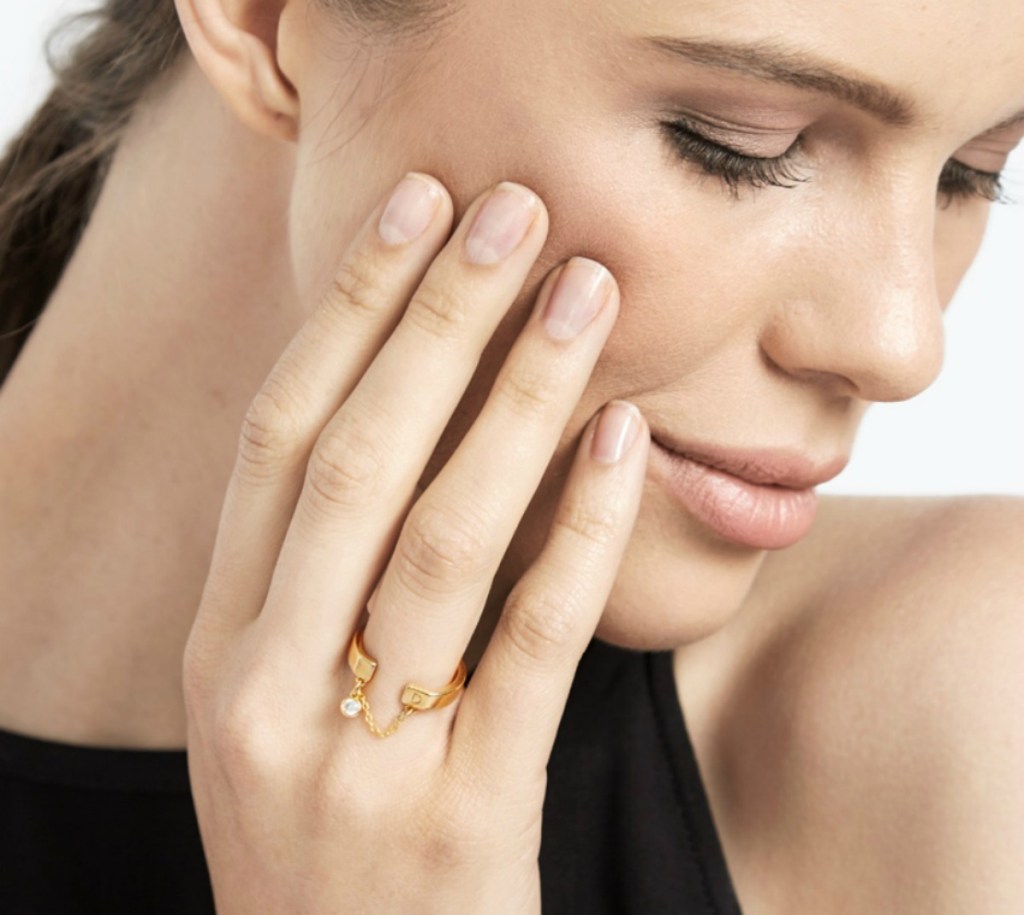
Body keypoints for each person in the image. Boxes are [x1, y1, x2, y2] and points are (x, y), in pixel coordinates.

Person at [0, 0, 1021, 911]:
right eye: (739, 143)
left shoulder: (969, 711)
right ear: (264, 23)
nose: (901, 344)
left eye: (971, 174)